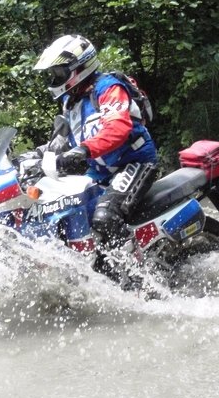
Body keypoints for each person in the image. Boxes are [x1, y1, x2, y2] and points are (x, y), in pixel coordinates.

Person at [33, 34, 158, 286]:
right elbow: (64, 139)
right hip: (100, 170)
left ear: (77, 68)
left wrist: (84, 151)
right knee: (66, 207)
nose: (54, 79)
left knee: (104, 217)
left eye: (58, 72)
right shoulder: (70, 101)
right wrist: (36, 156)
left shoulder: (108, 88)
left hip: (132, 163)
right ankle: (98, 271)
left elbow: (117, 128)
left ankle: (140, 279)